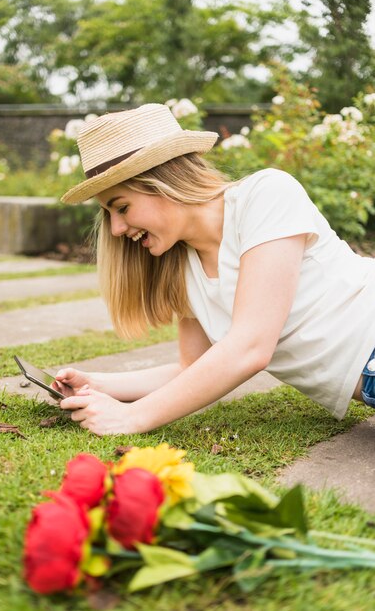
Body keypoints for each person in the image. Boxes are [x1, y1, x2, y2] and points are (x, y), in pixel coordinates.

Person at [52, 102, 375, 435]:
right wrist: (100, 385)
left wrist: (132, 417)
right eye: (109, 214)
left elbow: (251, 347)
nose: (117, 229)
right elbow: (191, 369)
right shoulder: (181, 265)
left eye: (121, 207)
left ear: (162, 182)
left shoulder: (266, 195)